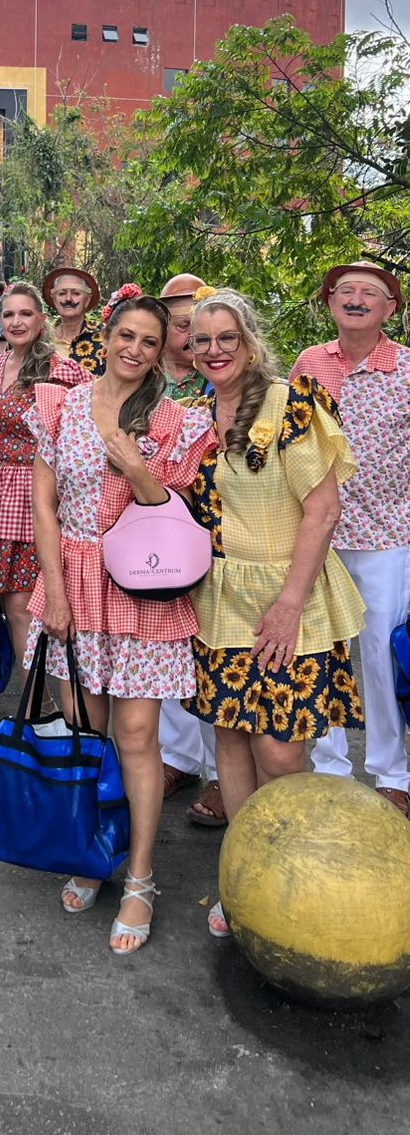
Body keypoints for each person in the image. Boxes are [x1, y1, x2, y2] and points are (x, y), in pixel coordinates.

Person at [27, 286, 215, 950]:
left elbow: (171, 507)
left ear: (162, 353)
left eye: (149, 342)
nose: (134, 349)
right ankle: (92, 851)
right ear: (105, 337)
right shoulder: (61, 404)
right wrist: (54, 592)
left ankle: (140, 876)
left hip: (141, 583)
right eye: (126, 336)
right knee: (86, 730)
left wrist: (136, 465)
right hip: (73, 581)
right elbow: (44, 505)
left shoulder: (173, 419)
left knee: (137, 737)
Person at [184, 289, 365, 935]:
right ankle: (245, 881)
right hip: (220, 599)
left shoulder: (292, 405)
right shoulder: (193, 416)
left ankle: (289, 885)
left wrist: (289, 603)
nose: (214, 351)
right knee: (230, 737)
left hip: (291, 595)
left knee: (281, 752)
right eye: (201, 341)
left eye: (226, 338)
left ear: (249, 342)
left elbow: (324, 510)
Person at [291, 262, 410, 814]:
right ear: (330, 302)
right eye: (345, 291)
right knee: (320, 649)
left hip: (389, 531)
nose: (356, 299)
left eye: (370, 292)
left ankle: (392, 772)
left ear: (391, 309)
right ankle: (330, 767)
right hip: (317, 531)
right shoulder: (310, 362)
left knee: (382, 653)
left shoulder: (406, 367)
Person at [0, 282, 87, 668]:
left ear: (41, 320)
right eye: (8, 314)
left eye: (25, 314)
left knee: (25, 603)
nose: (16, 322)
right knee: (8, 600)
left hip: (36, 492)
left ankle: (39, 696)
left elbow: (85, 429)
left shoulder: (61, 371)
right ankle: (34, 690)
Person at [155, 273, 224, 827]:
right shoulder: (144, 377)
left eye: (194, 325)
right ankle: (177, 757)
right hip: (156, 529)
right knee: (167, 641)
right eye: (180, 325)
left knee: (217, 648)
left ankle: (225, 772)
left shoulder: (224, 378)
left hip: (219, 529)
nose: (190, 336)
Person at [42, 267, 105, 373]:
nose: (68, 299)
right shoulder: (43, 338)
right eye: (62, 293)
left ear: (87, 300)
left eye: (76, 293)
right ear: (54, 300)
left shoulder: (105, 335)